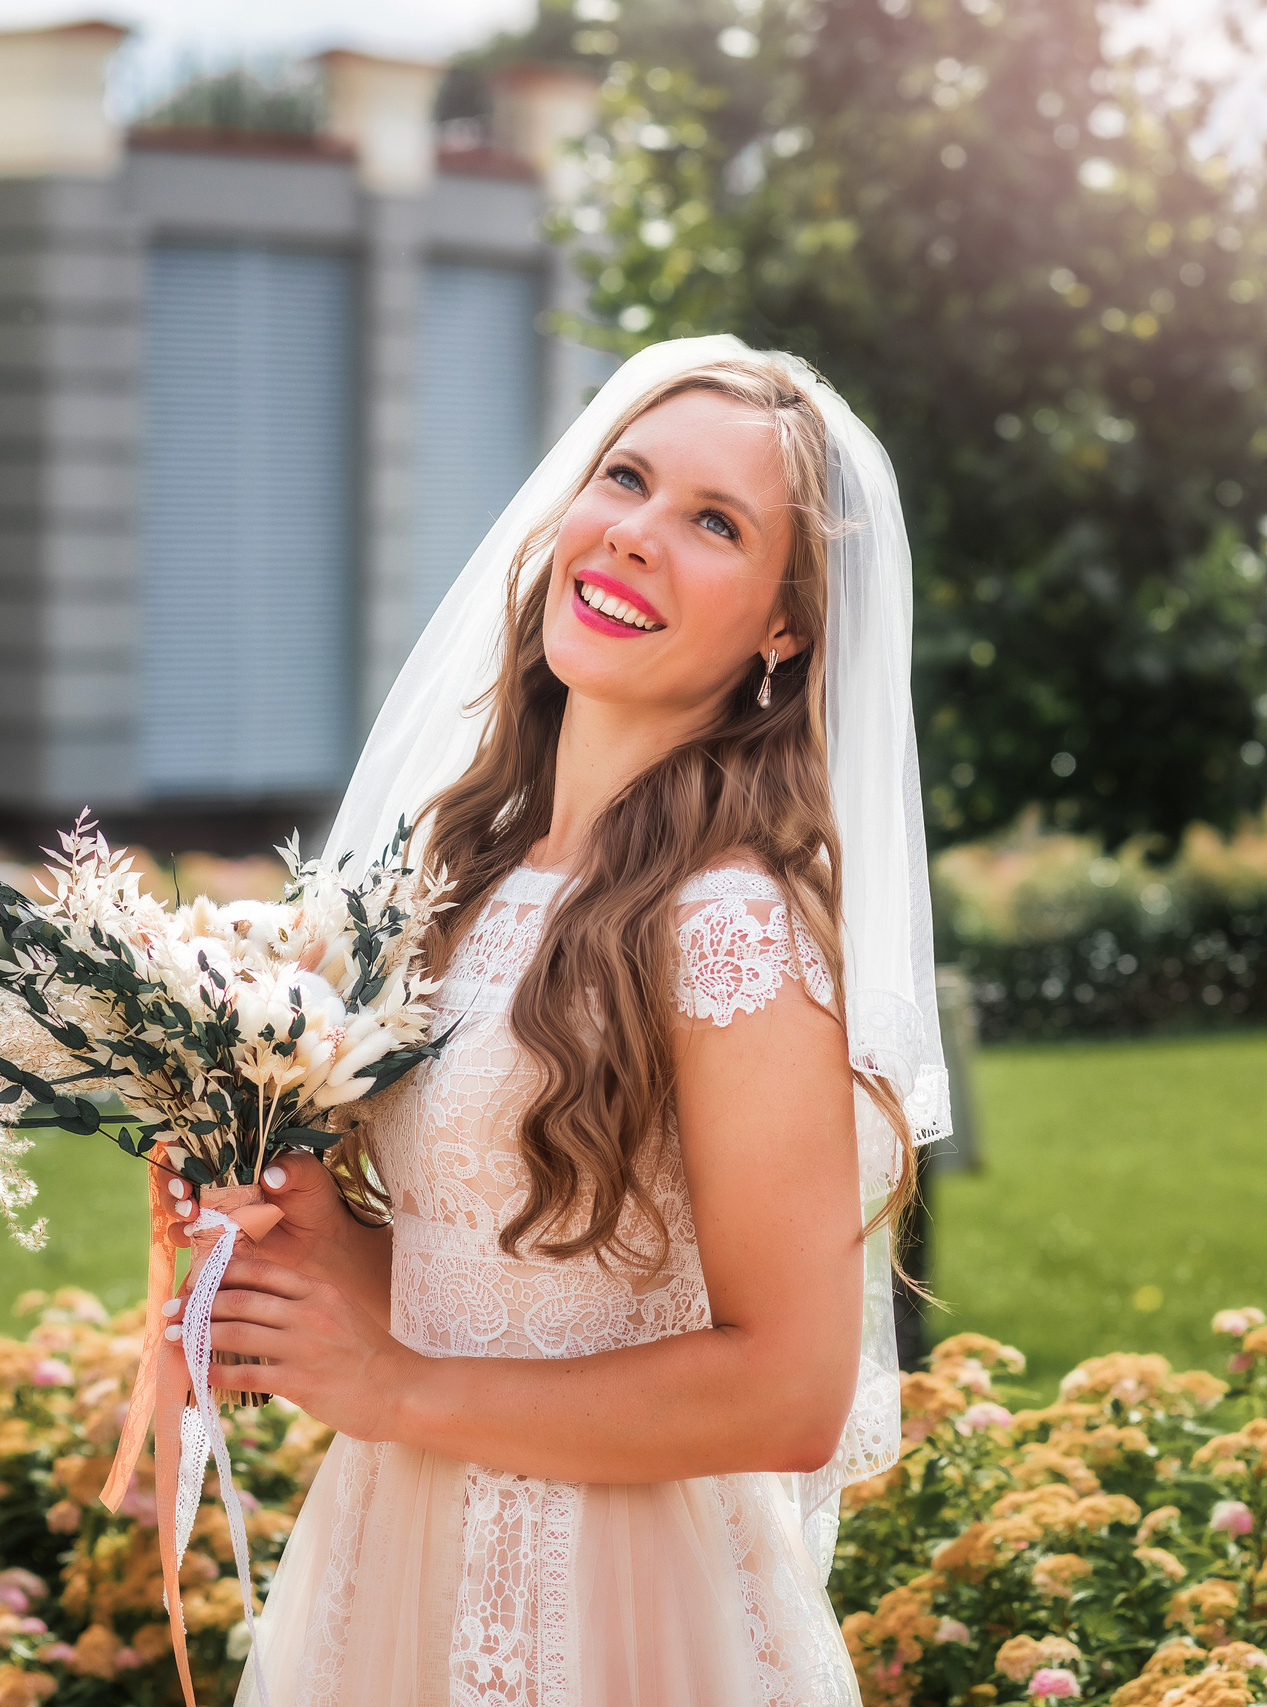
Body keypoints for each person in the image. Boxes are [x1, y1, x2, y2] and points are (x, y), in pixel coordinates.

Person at [187, 337, 951, 1706]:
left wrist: (395, 1388)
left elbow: (790, 1392)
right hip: (396, 1556)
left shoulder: (730, 927)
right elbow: (482, 1282)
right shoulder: (468, 877)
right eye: (628, 480)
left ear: (784, 629)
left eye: (715, 523)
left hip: (613, 1603)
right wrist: (291, 1227)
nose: (638, 534)